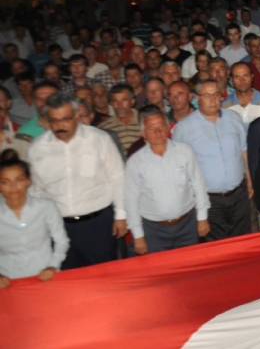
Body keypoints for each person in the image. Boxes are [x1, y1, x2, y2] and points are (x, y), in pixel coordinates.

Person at [28, 92, 126, 269]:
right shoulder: (38, 148)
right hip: (60, 227)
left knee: (105, 277)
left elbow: (117, 177)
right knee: (69, 281)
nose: (60, 125)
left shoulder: (98, 139)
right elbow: (37, 191)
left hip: (98, 224)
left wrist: (121, 215)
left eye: (65, 119)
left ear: (75, 116)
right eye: (54, 120)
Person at [172, 80, 251, 241]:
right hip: (208, 200)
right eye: (207, 95)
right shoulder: (184, 128)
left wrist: (249, 180)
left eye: (216, 94)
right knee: (216, 246)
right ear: (197, 98)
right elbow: (179, 168)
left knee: (243, 242)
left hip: (238, 195)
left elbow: (243, 150)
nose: (213, 99)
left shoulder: (233, 118)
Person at [124, 106, 210, 255]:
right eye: (151, 128)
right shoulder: (135, 162)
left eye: (161, 126)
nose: (158, 132)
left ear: (168, 128)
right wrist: (138, 235)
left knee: (190, 268)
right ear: (143, 133)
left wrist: (202, 218)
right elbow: (131, 200)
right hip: (153, 230)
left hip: (187, 224)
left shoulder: (184, 151)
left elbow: (198, 184)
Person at [0, 149, 69, 286]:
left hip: (45, 274)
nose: (13, 187)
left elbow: (61, 241)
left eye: (19, 180)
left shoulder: (46, 206)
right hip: (8, 279)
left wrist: (52, 266)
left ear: (28, 181)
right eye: (5, 182)